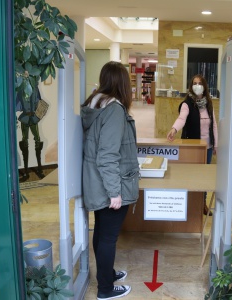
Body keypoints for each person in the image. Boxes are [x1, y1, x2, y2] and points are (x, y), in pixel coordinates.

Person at [81, 61, 139, 300]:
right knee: (107, 237)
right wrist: (115, 192)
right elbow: (107, 155)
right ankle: (105, 289)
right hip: (110, 186)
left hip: (97, 183)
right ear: (123, 84)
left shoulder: (94, 105)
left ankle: (107, 274)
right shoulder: (114, 110)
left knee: (101, 232)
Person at [166, 74, 218, 216]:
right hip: (193, 148)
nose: (197, 85)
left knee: (204, 177)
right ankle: (190, 204)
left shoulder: (209, 103)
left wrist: (216, 145)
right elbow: (182, 118)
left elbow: (214, 125)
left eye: (200, 83)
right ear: (191, 85)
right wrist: (174, 129)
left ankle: (202, 203)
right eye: (194, 83)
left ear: (204, 86)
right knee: (192, 177)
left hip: (206, 148)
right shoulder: (187, 103)